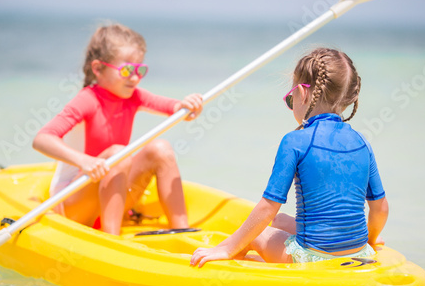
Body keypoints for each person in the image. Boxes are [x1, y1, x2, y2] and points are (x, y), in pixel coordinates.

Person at [190, 48, 389, 267]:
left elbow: (267, 207)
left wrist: (226, 247)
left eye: (290, 97)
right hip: (359, 251)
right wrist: (368, 241)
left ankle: (238, 280)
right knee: (281, 221)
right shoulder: (362, 142)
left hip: (311, 257)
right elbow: (380, 209)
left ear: (302, 94)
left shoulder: (295, 141)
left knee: (256, 234)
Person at [33, 23, 203, 235]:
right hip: (74, 204)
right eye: (127, 70)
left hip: (110, 193)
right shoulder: (87, 99)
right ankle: (111, 238)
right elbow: (42, 139)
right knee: (117, 154)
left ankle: (182, 231)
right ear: (98, 68)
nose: (134, 78)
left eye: (140, 70)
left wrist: (188, 106)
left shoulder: (133, 96)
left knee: (161, 149)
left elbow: (175, 108)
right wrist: (84, 161)